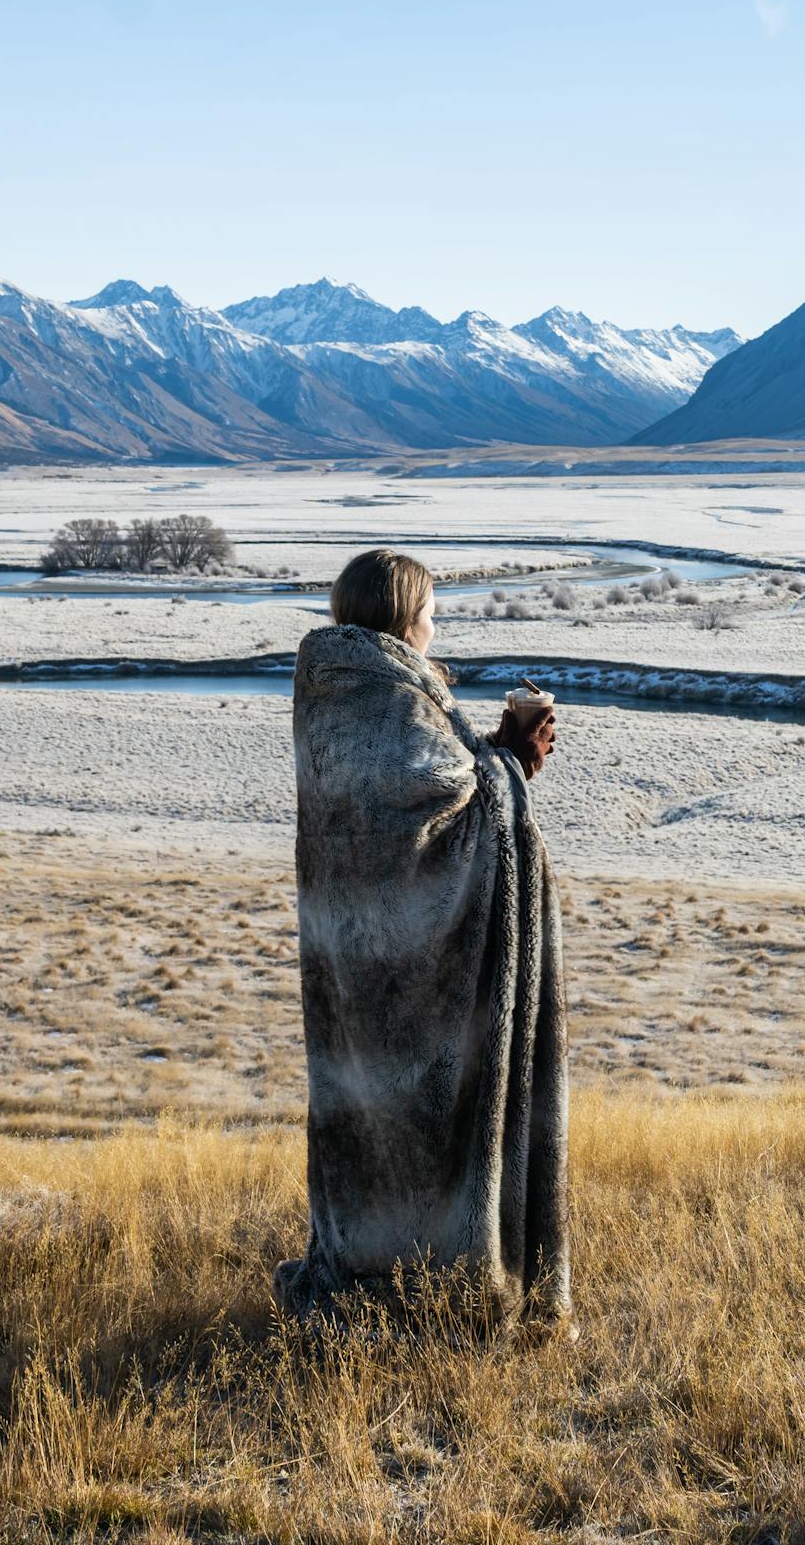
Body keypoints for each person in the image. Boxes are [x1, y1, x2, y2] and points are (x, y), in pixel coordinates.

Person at [275, 547, 569, 1328]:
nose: (435, 628)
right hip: (412, 968)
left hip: (349, 956)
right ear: (405, 620)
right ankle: (430, 1290)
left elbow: (430, 800)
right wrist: (512, 759)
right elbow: (445, 820)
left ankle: (377, 1271)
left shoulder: (332, 688)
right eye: (431, 613)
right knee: (428, 1120)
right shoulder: (393, 701)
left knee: (369, 1118)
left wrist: (497, 759)